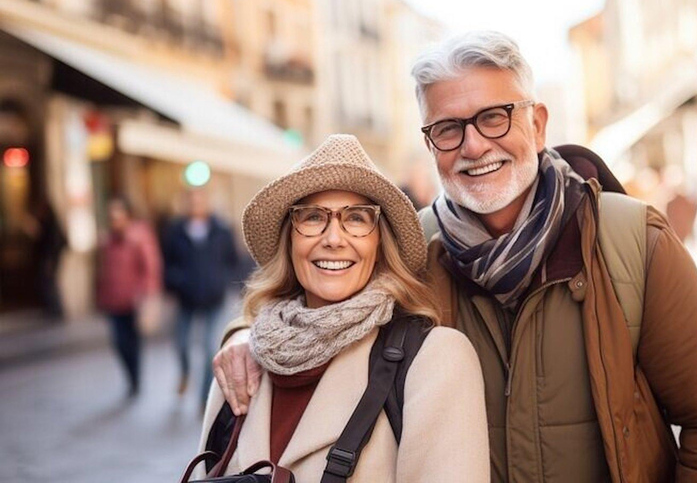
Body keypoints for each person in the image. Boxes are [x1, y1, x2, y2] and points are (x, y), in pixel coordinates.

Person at [213, 32, 697, 482]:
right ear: (431, 145)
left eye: (494, 117)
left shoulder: (631, 241)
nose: (474, 145)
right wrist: (243, 336)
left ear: (538, 123)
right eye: (448, 129)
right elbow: (315, 297)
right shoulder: (412, 252)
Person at [197, 134, 489, 481]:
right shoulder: (239, 367)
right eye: (312, 217)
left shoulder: (433, 361)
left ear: (380, 242)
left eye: (356, 218)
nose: (333, 239)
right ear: (290, 239)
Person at [162, 188, 238, 406]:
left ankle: (204, 397)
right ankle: (185, 372)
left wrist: (222, 281)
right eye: (192, 200)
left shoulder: (221, 230)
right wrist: (176, 282)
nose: (196, 204)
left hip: (214, 298)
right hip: (186, 298)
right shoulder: (176, 231)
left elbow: (233, 260)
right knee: (182, 344)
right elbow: (167, 263)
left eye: (200, 200)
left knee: (208, 348)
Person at [96, 197, 162, 397]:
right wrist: (99, 297)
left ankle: (135, 378)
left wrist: (148, 296)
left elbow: (151, 268)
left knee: (131, 343)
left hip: (134, 302)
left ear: (127, 216)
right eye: (111, 217)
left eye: (118, 216)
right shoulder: (107, 242)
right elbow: (102, 272)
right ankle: (131, 377)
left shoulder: (140, 237)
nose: (114, 221)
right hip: (114, 301)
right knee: (118, 342)